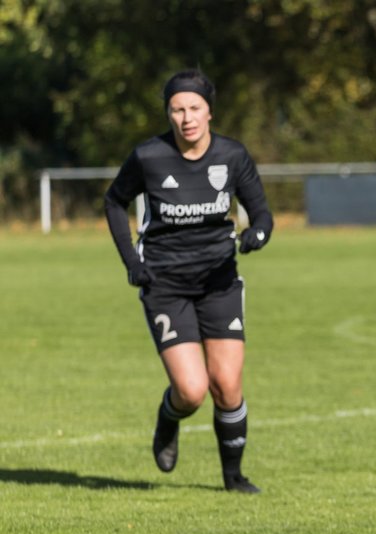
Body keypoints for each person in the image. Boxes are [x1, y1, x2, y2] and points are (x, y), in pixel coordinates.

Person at [104, 69, 273, 494]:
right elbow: (113, 201)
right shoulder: (148, 156)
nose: (186, 117)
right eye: (177, 109)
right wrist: (131, 262)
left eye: (194, 108)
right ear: (168, 113)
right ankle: (168, 418)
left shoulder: (232, 156)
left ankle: (233, 478)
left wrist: (257, 235)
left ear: (209, 112)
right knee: (192, 390)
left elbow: (264, 214)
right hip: (165, 285)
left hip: (219, 283)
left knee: (227, 385)